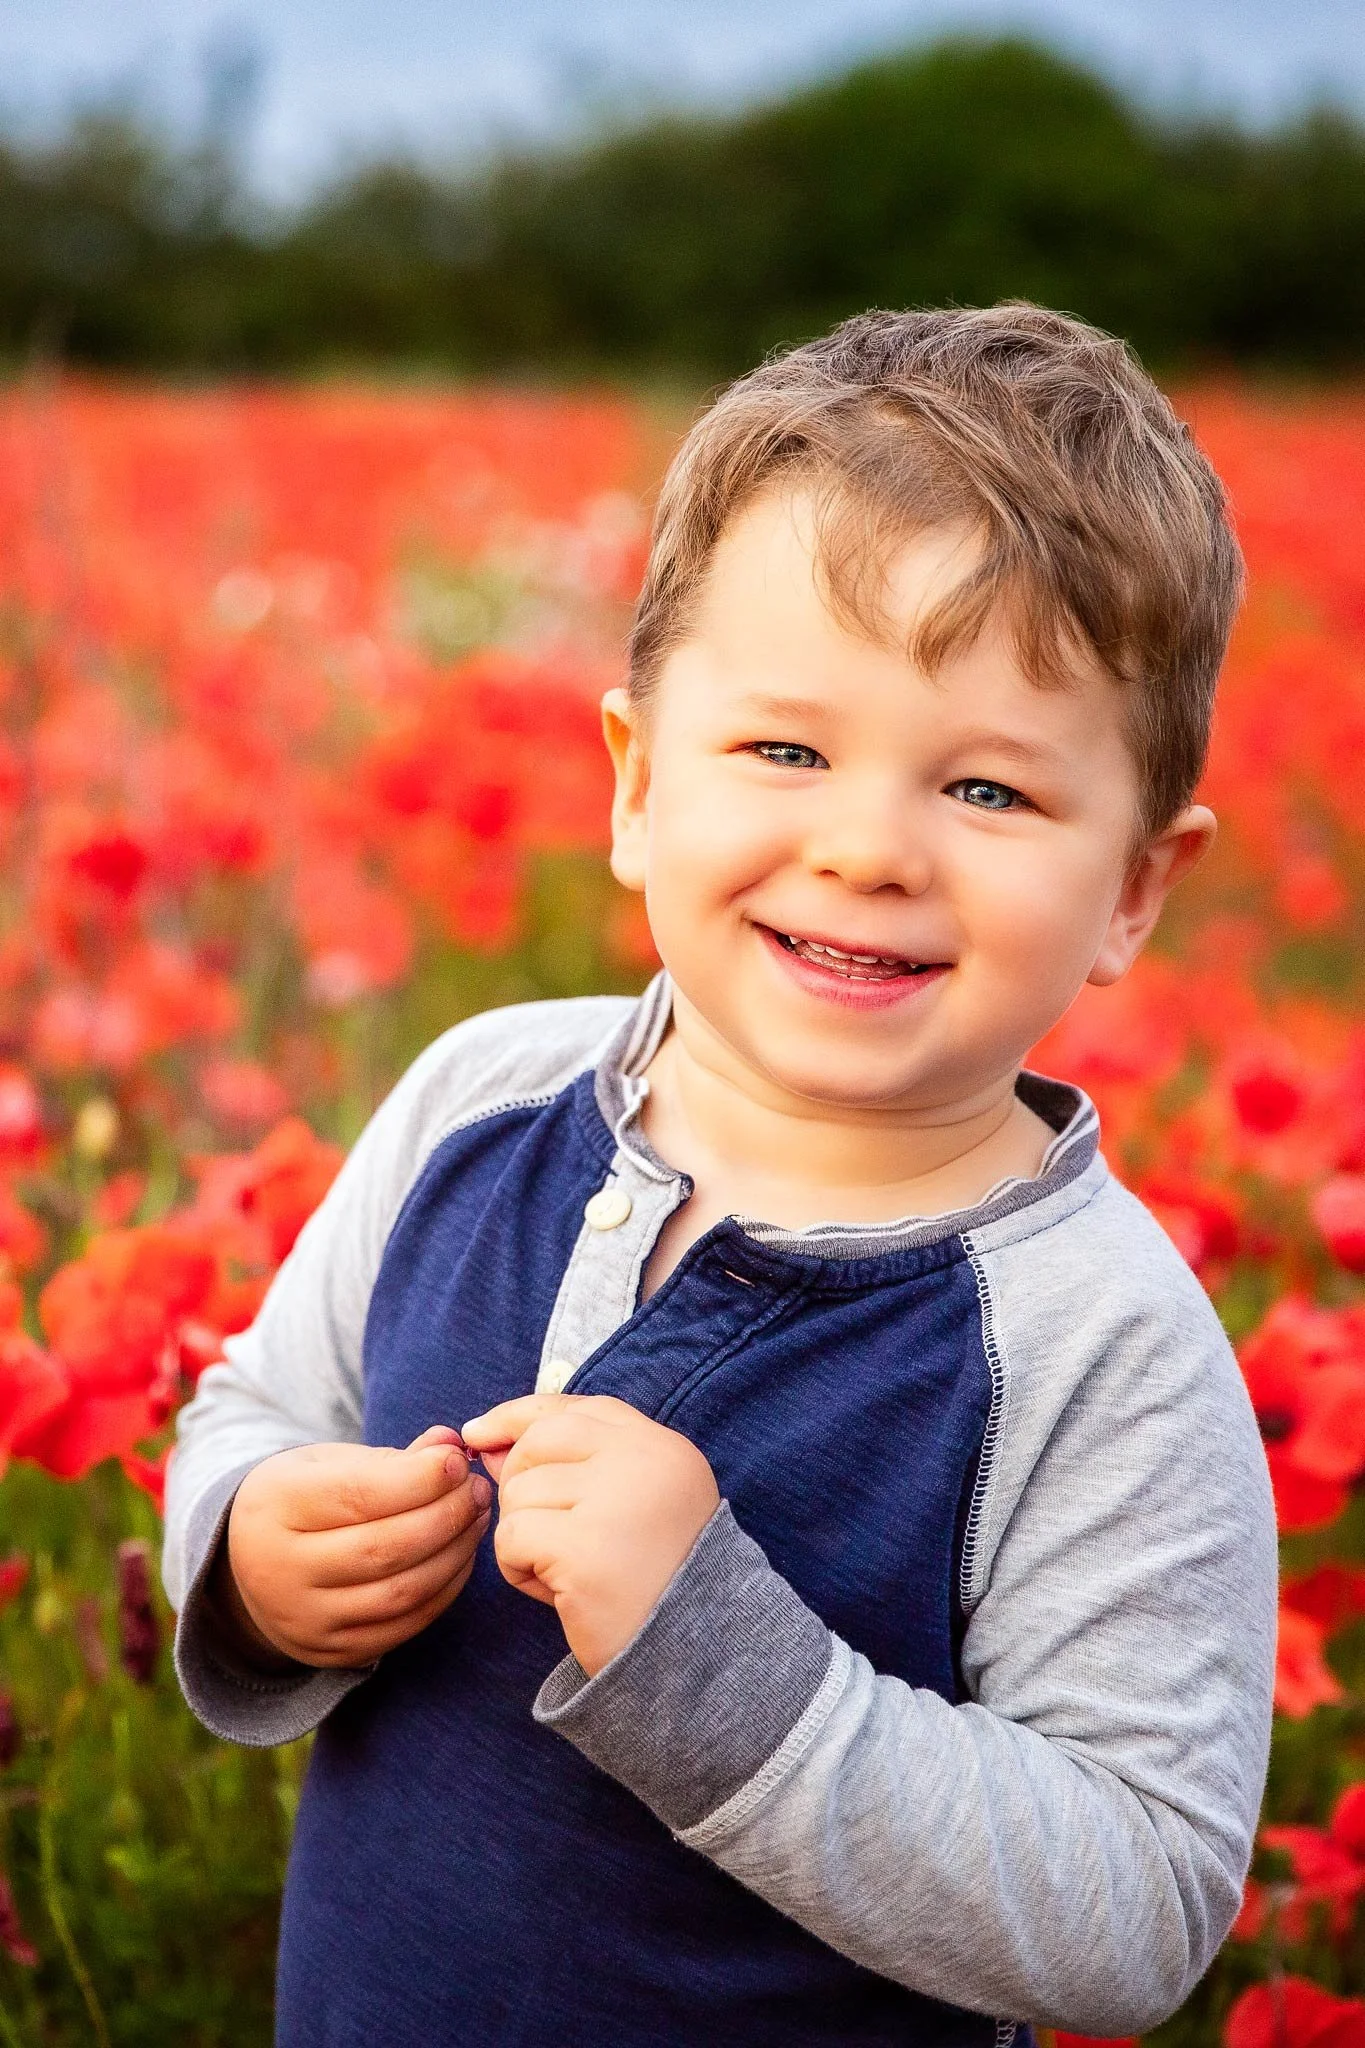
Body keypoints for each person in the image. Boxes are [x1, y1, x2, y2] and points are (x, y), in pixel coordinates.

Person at [163, 302, 1278, 2048]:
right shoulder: (480, 1097)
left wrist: (721, 1664)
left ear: (1139, 884)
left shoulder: (1098, 1342)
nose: (866, 846)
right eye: (785, 750)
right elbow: (256, 1406)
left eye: (988, 788)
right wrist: (250, 1553)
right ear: (632, 779)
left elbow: (1139, 1903)